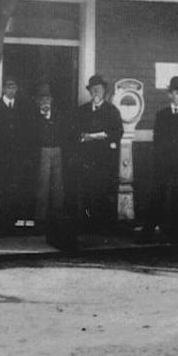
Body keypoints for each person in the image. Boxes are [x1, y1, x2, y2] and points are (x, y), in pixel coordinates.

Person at [137, 76, 178, 245]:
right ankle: (148, 233)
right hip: (163, 164)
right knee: (157, 197)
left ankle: (176, 235)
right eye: (176, 93)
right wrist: (158, 161)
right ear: (169, 94)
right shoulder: (162, 115)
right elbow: (157, 140)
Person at [0, 76, 33, 236]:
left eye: (14, 87)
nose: (11, 90)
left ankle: (13, 227)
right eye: (9, 87)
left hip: (17, 160)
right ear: (3, 89)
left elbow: (26, 134)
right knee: (0, 193)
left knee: (15, 191)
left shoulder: (22, 108)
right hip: (0, 160)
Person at [31, 83, 78, 249]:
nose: (45, 102)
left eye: (48, 99)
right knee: (42, 186)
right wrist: (42, 118)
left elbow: (65, 133)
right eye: (42, 99)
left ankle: (57, 222)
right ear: (37, 102)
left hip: (58, 151)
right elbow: (32, 135)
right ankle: (40, 222)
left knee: (58, 187)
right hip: (42, 152)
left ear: (52, 100)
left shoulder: (58, 115)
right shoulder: (33, 117)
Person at [75, 73, 123, 231]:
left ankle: (104, 227)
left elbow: (118, 132)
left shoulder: (112, 111)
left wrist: (106, 137)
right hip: (87, 159)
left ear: (104, 91)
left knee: (104, 191)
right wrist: (83, 137)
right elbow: (75, 132)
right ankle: (88, 225)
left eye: (98, 89)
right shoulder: (82, 111)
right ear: (89, 92)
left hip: (105, 160)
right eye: (93, 90)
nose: (95, 92)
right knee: (88, 191)